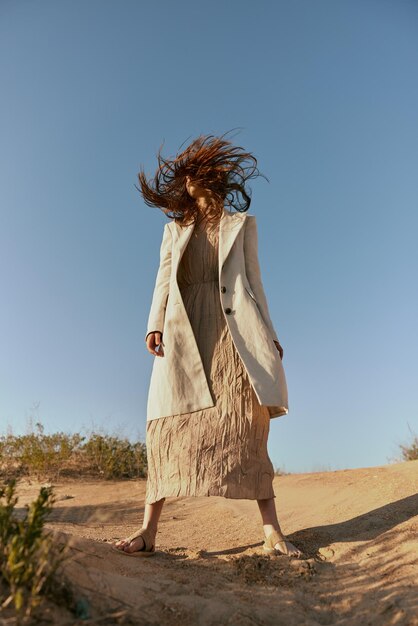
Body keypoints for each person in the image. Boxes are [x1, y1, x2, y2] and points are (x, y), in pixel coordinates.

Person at [113, 132, 304, 559]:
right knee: (167, 424)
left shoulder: (242, 225)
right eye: (182, 176)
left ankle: (271, 530)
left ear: (211, 176)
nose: (185, 181)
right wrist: (153, 324)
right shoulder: (174, 229)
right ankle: (149, 530)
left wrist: (269, 335)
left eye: (192, 173)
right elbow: (163, 278)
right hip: (184, 327)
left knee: (245, 421)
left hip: (233, 330)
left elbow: (255, 285)